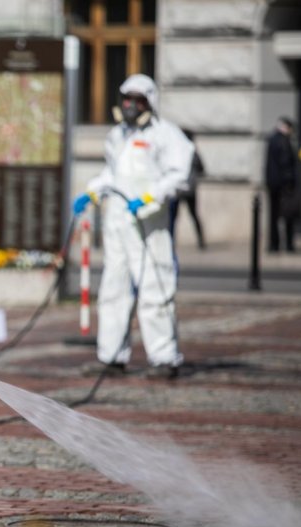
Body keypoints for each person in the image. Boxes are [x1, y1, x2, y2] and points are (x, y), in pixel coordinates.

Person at [71, 74, 195, 379]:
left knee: (156, 288)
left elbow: (180, 175)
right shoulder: (118, 136)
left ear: (149, 102)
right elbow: (112, 174)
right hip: (118, 223)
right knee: (113, 290)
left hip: (150, 224)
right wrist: (92, 190)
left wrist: (150, 197)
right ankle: (112, 356)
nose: (130, 105)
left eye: (137, 100)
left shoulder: (166, 135)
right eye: (126, 99)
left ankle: (164, 358)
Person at [169, 129, 206, 249]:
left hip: (183, 190)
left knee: (177, 218)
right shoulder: (191, 152)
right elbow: (202, 169)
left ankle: (172, 241)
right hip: (186, 190)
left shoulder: (184, 152)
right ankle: (200, 241)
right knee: (190, 216)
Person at [265, 116, 297, 252]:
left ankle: (274, 244)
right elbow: (285, 164)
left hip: (273, 184)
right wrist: (290, 182)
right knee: (288, 215)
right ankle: (288, 244)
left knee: (273, 216)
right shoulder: (284, 142)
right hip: (284, 186)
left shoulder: (272, 139)